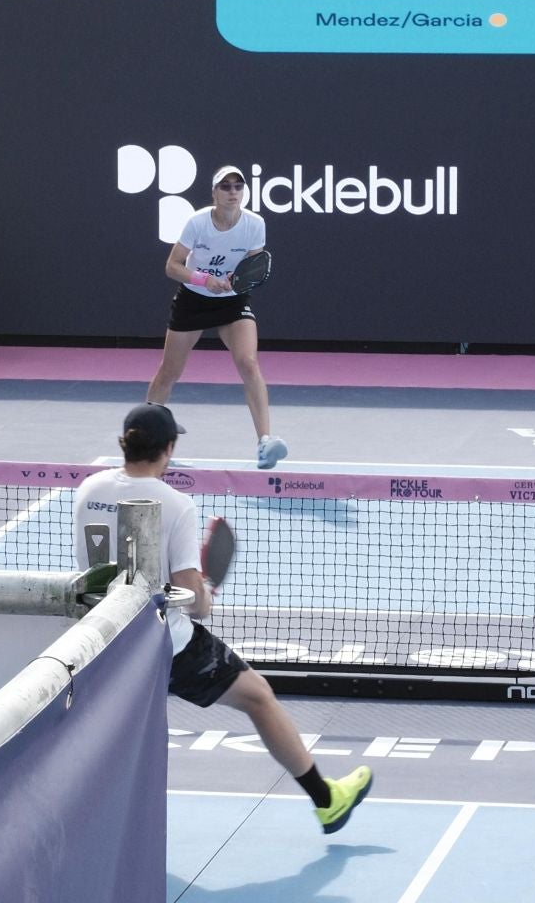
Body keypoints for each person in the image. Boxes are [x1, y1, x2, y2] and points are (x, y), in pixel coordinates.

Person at [73, 404, 373, 833]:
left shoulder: (88, 489)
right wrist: (203, 596)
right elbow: (190, 600)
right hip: (162, 642)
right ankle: (327, 800)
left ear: (126, 443)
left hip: (99, 639)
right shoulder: (175, 505)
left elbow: (116, 576)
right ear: (168, 449)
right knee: (258, 697)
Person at [143, 164, 287, 469]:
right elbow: (172, 266)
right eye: (226, 187)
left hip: (233, 302)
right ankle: (146, 432)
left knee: (248, 363)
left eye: (238, 187)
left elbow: (253, 268)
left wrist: (234, 282)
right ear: (214, 192)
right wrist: (203, 279)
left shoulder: (255, 224)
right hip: (193, 299)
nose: (232, 192)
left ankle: (265, 442)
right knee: (169, 371)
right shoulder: (197, 223)